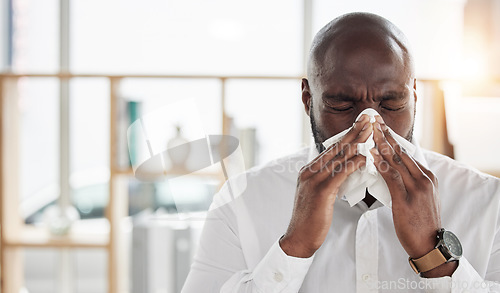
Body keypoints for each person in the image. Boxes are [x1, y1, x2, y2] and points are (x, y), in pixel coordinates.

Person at [182, 12, 500, 292]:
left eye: (391, 103)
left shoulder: (489, 202)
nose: (369, 125)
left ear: (414, 96)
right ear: (308, 99)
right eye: (341, 104)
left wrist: (436, 258)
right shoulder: (241, 201)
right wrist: (294, 248)